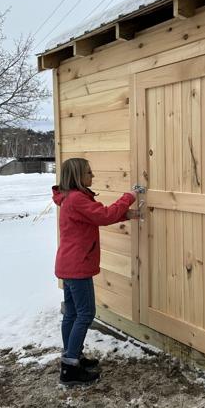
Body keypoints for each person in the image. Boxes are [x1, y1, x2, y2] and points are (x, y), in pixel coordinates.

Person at [52, 157, 139, 386]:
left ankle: (72, 356)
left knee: (71, 313)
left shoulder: (70, 198)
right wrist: (129, 197)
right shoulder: (78, 199)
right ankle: (70, 367)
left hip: (68, 264)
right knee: (85, 314)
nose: (93, 176)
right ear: (78, 176)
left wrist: (126, 214)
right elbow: (104, 215)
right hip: (78, 266)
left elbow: (96, 217)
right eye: (89, 173)